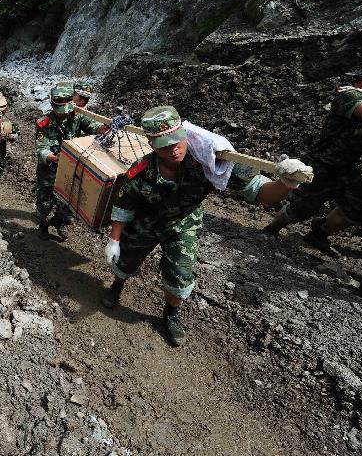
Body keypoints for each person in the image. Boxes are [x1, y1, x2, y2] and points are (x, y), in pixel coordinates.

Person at [101, 105, 312, 346]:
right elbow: (125, 204)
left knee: (180, 273)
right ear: (152, 144)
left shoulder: (210, 162)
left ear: (183, 133)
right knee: (126, 259)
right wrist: (114, 240)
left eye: (176, 139)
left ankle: (171, 314)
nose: (174, 148)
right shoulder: (143, 169)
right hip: (146, 220)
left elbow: (261, 193)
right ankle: (117, 285)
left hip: (183, 223)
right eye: (164, 144)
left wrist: (287, 183)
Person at [263, 60, 362, 239]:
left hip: (346, 167)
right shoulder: (349, 95)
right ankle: (271, 229)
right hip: (324, 164)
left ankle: (319, 233)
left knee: (361, 206)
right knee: (304, 207)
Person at [35, 83, 107, 240]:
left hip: (71, 170)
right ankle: (43, 224)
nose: (63, 114)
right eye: (59, 110)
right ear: (52, 104)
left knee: (68, 204)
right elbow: (41, 149)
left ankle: (60, 223)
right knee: (45, 202)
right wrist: (55, 158)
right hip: (49, 169)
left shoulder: (77, 116)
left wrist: (105, 128)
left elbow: (94, 127)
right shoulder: (43, 123)